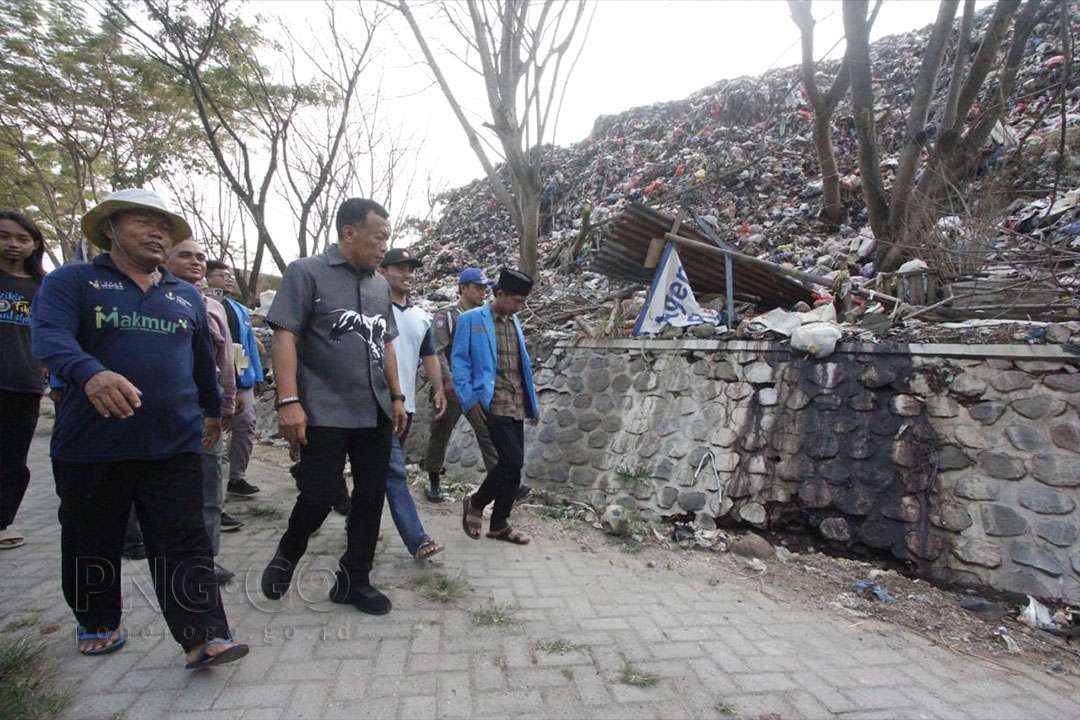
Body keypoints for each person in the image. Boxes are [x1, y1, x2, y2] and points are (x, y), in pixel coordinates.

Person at [31, 188, 246, 667]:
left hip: (173, 442)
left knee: (184, 539)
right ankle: (98, 620)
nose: (157, 233)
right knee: (92, 537)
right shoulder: (73, 281)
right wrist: (91, 372)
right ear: (109, 228)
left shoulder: (183, 294)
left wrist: (214, 411)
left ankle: (204, 636)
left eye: (165, 226)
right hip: (92, 444)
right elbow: (48, 337)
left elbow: (199, 363)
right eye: (143, 222)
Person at [261, 198, 408, 615]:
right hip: (322, 408)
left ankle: (353, 580)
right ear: (348, 232)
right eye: (379, 236)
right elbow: (285, 335)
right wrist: (288, 401)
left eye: (387, 238)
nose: (385, 246)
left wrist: (396, 397)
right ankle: (288, 553)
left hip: (374, 409)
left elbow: (386, 342)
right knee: (321, 493)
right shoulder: (305, 273)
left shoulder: (380, 285)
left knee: (370, 497)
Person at [165, 240, 238, 584]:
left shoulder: (214, 308)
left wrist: (227, 403)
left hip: (204, 409)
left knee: (209, 483)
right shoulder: (153, 301)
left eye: (200, 257)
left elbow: (223, 361)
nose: (195, 262)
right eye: (185, 255)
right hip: (162, 411)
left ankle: (204, 559)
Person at [453, 268, 539, 546]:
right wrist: (469, 399)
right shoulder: (471, 319)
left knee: (514, 466)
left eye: (522, 302)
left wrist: (532, 404)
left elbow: (521, 366)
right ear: (499, 294)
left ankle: (500, 524)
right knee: (510, 461)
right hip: (491, 401)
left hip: (515, 401)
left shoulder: (514, 323)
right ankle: (476, 503)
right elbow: (460, 361)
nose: (519, 306)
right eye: (516, 300)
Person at [378, 248, 447, 560]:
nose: (408, 274)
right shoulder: (374, 310)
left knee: (379, 472)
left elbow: (429, 355)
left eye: (412, 269)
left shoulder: (421, 316)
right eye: (400, 268)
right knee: (394, 471)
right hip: (378, 404)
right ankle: (417, 539)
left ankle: (354, 518)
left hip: (406, 407)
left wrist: (439, 389)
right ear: (383, 271)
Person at [423, 268, 499, 501]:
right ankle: (434, 481)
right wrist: (446, 382)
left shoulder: (484, 317)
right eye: (477, 287)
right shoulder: (447, 315)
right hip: (451, 389)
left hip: (476, 390)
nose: (482, 292)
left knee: (488, 434)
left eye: (485, 288)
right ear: (463, 288)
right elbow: (436, 351)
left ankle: (503, 482)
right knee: (440, 433)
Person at [0, 210, 48, 550]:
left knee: (12, 459)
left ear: (34, 245)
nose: (13, 244)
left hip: (23, 383)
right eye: (4, 236)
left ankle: (2, 522)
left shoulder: (43, 287)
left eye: (22, 238)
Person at [205, 260, 265, 503]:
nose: (228, 279)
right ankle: (211, 494)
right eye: (221, 275)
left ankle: (236, 477)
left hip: (242, 379)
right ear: (208, 279)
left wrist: (258, 376)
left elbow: (250, 345)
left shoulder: (239, 309)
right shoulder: (201, 304)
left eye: (229, 275)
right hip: (212, 380)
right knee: (212, 434)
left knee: (245, 426)